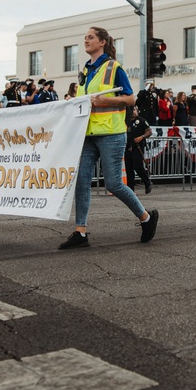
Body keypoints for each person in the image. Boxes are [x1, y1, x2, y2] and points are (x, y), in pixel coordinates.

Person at [59, 26, 158, 250]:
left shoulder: (113, 67)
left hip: (111, 134)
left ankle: (147, 219)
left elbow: (131, 99)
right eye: (84, 37)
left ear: (102, 42)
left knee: (113, 183)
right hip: (88, 134)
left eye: (90, 37)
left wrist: (106, 101)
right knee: (82, 181)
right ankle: (80, 232)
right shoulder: (85, 70)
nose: (86, 40)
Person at [125, 106, 154, 194]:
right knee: (129, 169)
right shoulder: (126, 121)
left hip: (137, 146)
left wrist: (142, 137)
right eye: (132, 110)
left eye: (135, 110)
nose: (134, 112)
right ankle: (131, 190)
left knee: (138, 166)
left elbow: (149, 132)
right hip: (127, 146)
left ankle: (147, 182)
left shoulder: (141, 120)